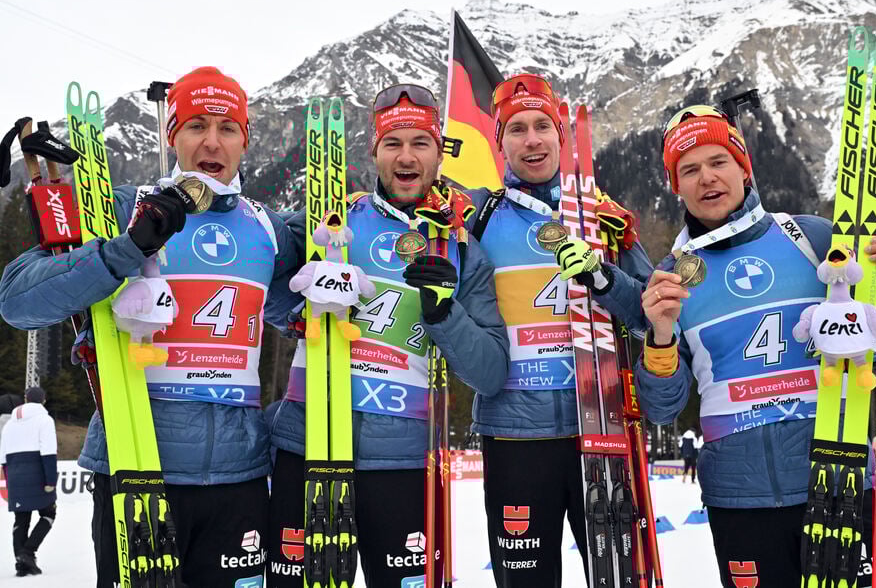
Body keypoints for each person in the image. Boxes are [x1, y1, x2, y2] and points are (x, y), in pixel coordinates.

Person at [584, 105, 876, 588]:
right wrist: (660, 335)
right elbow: (661, 406)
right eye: (689, 169)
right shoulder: (673, 274)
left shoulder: (813, 238)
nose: (707, 178)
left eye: (718, 161)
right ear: (675, 185)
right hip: (739, 501)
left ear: (744, 167)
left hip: (837, 481)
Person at [0, 66, 302, 587]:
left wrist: (321, 301)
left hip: (241, 476)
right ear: (172, 135)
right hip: (135, 466)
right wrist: (125, 249)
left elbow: (290, 315)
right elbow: (19, 301)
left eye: (227, 128)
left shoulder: (268, 228)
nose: (212, 141)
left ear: (244, 141)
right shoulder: (121, 206)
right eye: (196, 125)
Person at [267, 84, 509, 587]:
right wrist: (297, 304)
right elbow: (256, 298)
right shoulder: (329, 221)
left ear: (439, 153)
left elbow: (490, 372)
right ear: (374, 151)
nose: (406, 156)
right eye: (393, 142)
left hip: (401, 457)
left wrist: (444, 314)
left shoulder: (461, 249)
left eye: (420, 142)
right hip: (307, 443)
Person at [460, 73, 653, 587]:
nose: (532, 140)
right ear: (499, 143)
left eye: (542, 125)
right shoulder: (479, 216)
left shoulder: (603, 216)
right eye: (516, 129)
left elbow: (652, 311)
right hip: (515, 434)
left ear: (561, 137)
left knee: (615, 577)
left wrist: (604, 277)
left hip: (602, 429)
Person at [0, 387, 57, 576]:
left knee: (21, 519)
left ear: (25, 399)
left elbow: (2, 457)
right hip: (38, 473)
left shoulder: (9, 424)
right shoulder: (45, 420)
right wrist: (51, 480)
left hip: (14, 474)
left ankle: (21, 563)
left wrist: (8, 481)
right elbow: (48, 451)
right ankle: (27, 552)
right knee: (49, 513)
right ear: (43, 400)